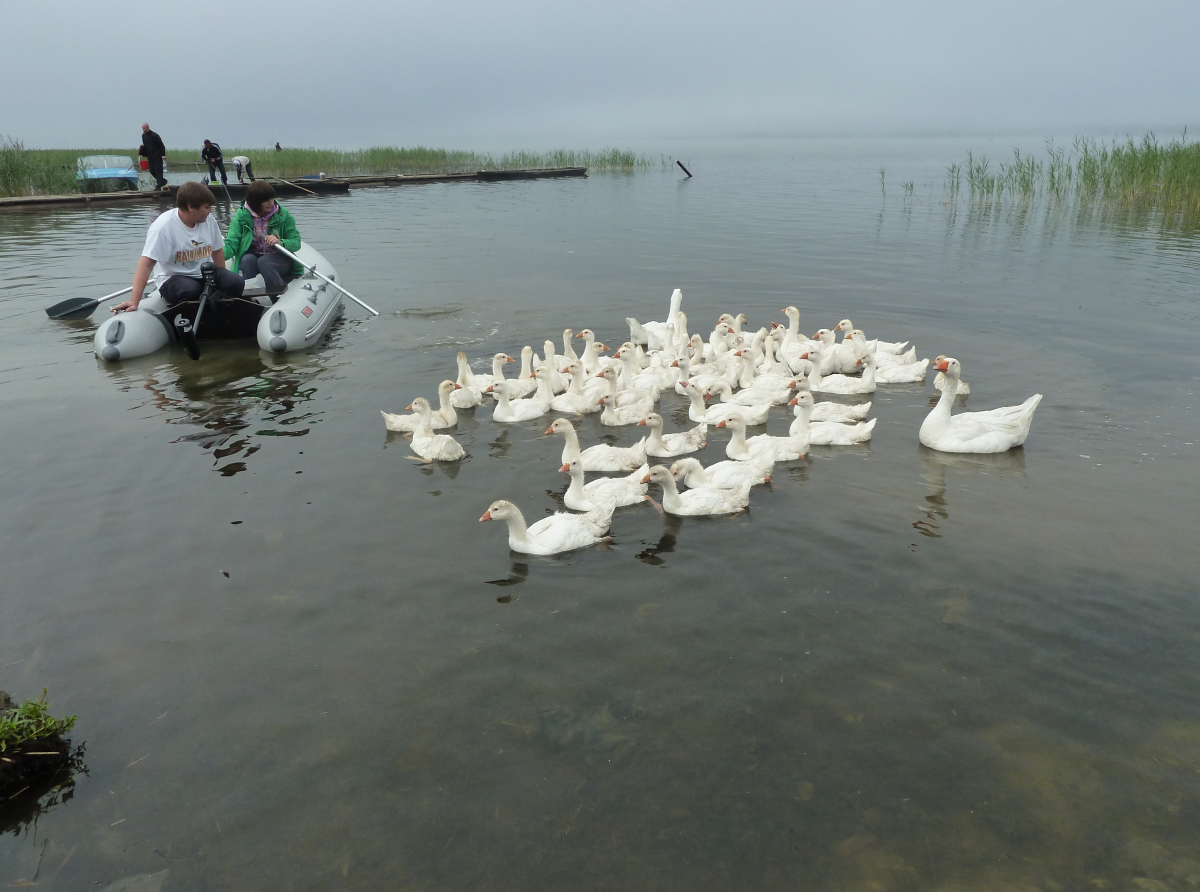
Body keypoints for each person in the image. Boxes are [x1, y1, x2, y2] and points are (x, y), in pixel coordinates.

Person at [112, 182, 264, 314]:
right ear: (191, 207)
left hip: (204, 274)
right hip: (172, 278)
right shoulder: (163, 228)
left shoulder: (208, 220)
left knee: (235, 282)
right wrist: (134, 301)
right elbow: (145, 265)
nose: (211, 210)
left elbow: (217, 251)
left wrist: (221, 277)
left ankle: (225, 313)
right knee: (190, 290)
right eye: (207, 207)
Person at [222, 180, 302, 295]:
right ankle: (249, 297)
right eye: (266, 200)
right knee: (247, 260)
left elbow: (296, 242)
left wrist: (280, 242)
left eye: (272, 198)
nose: (271, 203)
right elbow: (232, 243)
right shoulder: (241, 216)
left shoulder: (283, 215)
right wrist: (215, 256)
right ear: (255, 202)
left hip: (279, 258)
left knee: (265, 262)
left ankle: (278, 296)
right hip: (254, 256)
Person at [138, 122, 168, 192]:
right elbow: (145, 146)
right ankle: (163, 181)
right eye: (143, 128)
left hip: (157, 156)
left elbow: (161, 145)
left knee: (158, 171)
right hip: (150, 156)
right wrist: (142, 152)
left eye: (145, 128)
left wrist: (163, 155)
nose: (144, 129)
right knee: (152, 171)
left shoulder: (155, 135)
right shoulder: (143, 136)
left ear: (148, 127)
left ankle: (158, 186)